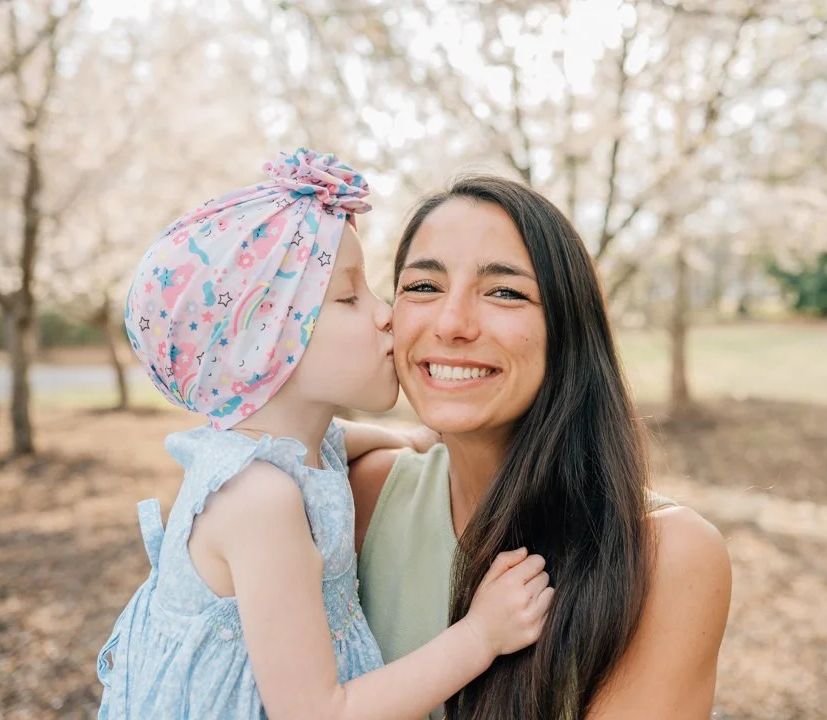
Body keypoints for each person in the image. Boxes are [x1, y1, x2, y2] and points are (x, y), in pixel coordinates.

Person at [95, 150, 553, 720]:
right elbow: (320, 712)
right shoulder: (261, 503)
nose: (387, 315)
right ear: (263, 344)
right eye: (348, 298)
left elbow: (342, 439)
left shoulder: (298, 450)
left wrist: (416, 439)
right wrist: (481, 635)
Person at [351, 175, 733, 720]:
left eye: (504, 292)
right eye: (422, 287)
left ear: (569, 330)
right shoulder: (361, 494)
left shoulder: (665, 554)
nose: (451, 323)